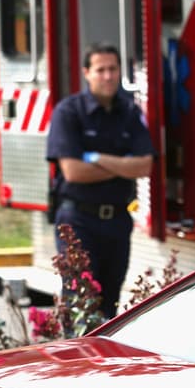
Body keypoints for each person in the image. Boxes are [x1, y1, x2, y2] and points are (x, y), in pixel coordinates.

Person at [46, 42, 154, 320]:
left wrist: (98, 159)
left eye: (113, 69)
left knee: (110, 306)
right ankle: (77, 351)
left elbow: (145, 165)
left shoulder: (130, 112)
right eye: (100, 70)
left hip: (117, 221)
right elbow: (73, 172)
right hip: (78, 221)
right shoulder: (68, 112)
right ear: (87, 73)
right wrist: (123, 166)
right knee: (80, 304)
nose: (108, 76)